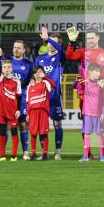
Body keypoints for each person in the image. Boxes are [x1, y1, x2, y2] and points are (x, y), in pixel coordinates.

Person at [65, 27, 104, 160]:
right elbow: (69, 56)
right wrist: (71, 43)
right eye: (88, 38)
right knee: (86, 124)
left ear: (98, 37)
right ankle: (88, 154)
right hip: (85, 94)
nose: (90, 40)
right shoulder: (83, 52)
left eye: (92, 37)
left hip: (101, 94)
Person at [34, 26, 65, 159]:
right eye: (49, 41)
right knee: (42, 124)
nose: (51, 45)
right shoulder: (40, 58)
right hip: (41, 97)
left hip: (55, 96)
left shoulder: (60, 56)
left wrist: (48, 39)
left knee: (57, 123)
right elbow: (34, 76)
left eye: (54, 42)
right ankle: (44, 152)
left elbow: (61, 49)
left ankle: (58, 151)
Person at [4, 38, 33, 160]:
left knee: (22, 124)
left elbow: (28, 81)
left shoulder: (28, 64)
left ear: (23, 50)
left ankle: (25, 152)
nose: (16, 49)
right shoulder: (7, 61)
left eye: (19, 47)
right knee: (5, 125)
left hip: (21, 98)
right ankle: (3, 152)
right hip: (7, 97)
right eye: (15, 47)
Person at [77, 63, 104, 162]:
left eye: (99, 71)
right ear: (90, 72)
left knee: (100, 134)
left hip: (98, 114)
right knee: (87, 134)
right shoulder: (85, 82)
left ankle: (102, 156)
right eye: (96, 71)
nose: (99, 73)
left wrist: (103, 113)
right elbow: (75, 86)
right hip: (87, 113)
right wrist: (77, 81)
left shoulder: (101, 84)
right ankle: (85, 156)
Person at [26, 66, 56, 161]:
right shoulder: (30, 86)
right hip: (33, 113)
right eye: (37, 72)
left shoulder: (45, 83)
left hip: (43, 112)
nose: (39, 74)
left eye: (40, 72)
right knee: (33, 133)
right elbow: (28, 101)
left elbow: (54, 86)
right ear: (34, 75)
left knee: (44, 133)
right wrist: (27, 114)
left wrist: (45, 77)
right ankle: (33, 154)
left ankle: (45, 154)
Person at [0, 59, 23, 161]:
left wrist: (18, 109)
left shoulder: (16, 81)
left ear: (12, 68)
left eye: (9, 67)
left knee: (14, 132)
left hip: (12, 111)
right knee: (2, 132)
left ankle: (14, 155)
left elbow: (19, 96)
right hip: (1, 110)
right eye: (5, 67)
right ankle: (2, 155)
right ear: (2, 69)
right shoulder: (0, 79)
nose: (7, 69)